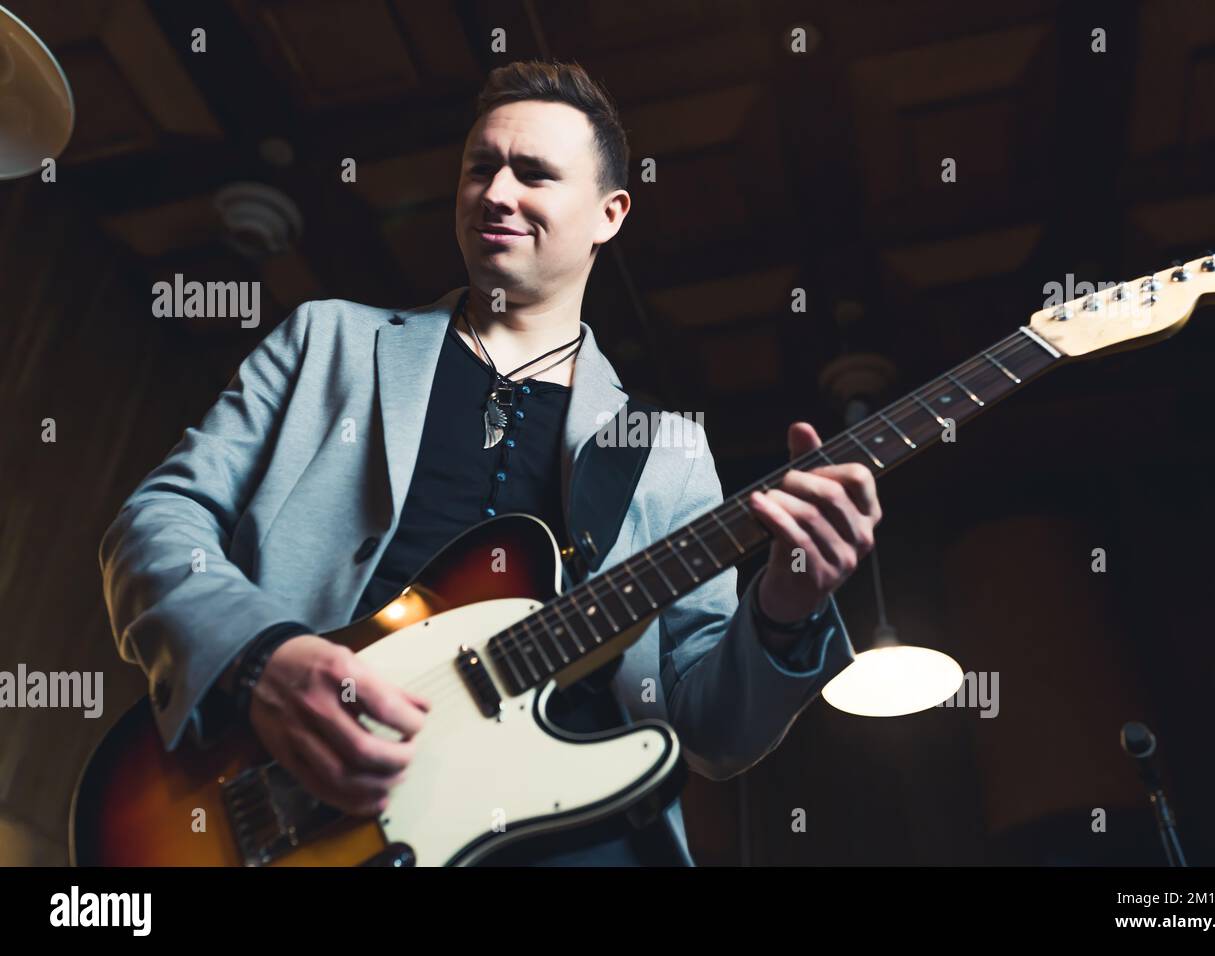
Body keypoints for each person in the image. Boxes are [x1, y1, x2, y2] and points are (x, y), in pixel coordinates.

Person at [99, 60, 882, 866]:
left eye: (534, 174)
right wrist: (261, 658)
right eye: (482, 168)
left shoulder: (666, 453)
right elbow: (156, 524)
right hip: (284, 807)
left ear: (610, 214)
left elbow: (712, 730)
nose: (497, 193)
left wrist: (787, 608)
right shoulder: (325, 342)